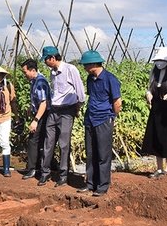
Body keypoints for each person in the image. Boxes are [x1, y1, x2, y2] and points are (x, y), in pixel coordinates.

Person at [39, 46, 85, 187]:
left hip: (67, 111)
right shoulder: (52, 72)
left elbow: (80, 92)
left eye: (46, 60)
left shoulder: (71, 69)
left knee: (64, 144)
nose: (45, 63)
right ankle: (45, 173)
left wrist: (76, 108)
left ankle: (63, 175)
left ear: (52, 58)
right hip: (54, 111)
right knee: (48, 142)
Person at [78, 50, 121, 197]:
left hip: (104, 119)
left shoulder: (110, 79)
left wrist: (111, 116)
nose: (84, 68)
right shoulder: (90, 79)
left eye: (85, 65)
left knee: (103, 154)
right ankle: (90, 184)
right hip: (90, 119)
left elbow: (117, 103)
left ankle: (102, 186)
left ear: (93, 64)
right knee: (91, 153)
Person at [141, 47, 167, 178]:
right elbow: (149, 87)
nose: (159, 63)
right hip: (156, 107)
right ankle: (159, 168)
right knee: (156, 136)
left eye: (161, 60)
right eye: (157, 60)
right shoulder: (154, 72)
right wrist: (148, 94)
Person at [19, 59, 50, 180]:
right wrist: (30, 108)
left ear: (33, 70)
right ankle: (39, 167)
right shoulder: (34, 81)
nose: (24, 74)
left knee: (33, 140)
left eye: (25, 72)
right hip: (38, 113)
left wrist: (35, 120)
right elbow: (37, 100)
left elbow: (44, 103)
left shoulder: (40, 82)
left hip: (42, 115)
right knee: (40, 141)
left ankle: (32, 169)